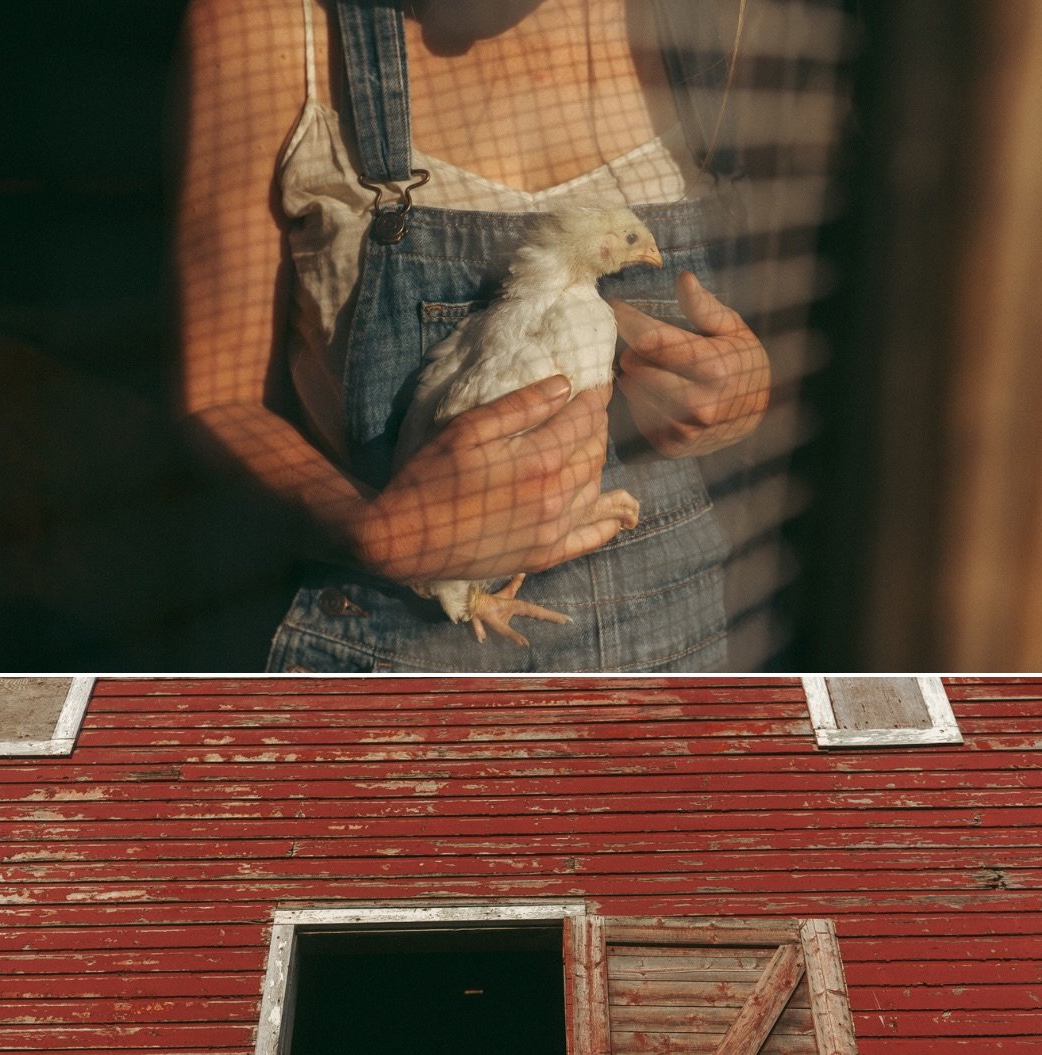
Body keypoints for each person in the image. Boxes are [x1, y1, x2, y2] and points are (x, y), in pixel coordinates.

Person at [174, 0, 769, 672]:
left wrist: (741, 396)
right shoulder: (269, 25)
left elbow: (759, 311)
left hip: (674, 638)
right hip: (404, 652)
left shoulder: (713, 23)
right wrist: (377, 533)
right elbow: (219, 398)